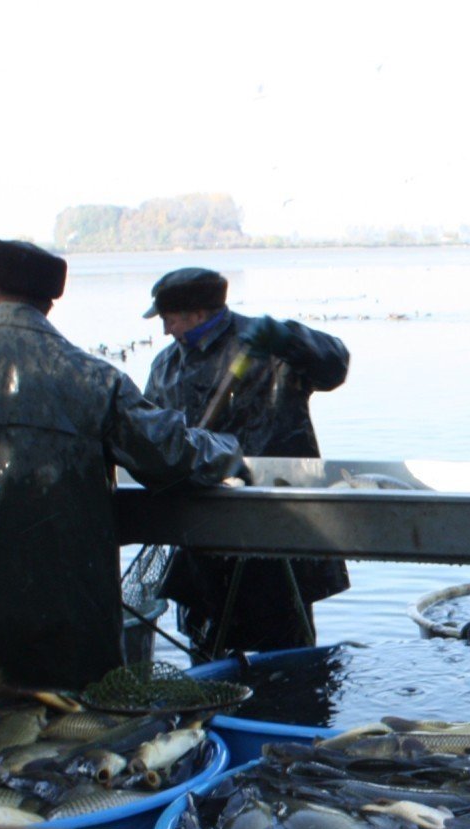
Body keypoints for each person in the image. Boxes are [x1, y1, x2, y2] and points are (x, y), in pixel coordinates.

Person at [0, 238, 242, 689]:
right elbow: (173, 456)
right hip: (72, 665)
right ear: (47, 304)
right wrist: (228, 449)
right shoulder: (95, 381)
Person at [142, 268, 352, 657]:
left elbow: (335, 366)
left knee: (286, 654)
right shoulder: (165, 368)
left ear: (199, 314)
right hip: (203, 534)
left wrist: (291, 338)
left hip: (277, 525)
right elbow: (149, 439)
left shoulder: (269, 346)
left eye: (169, 319)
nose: (165, 329)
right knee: (206, 650)